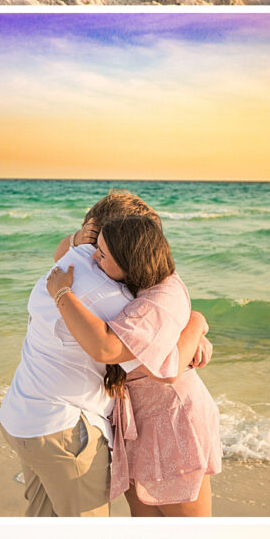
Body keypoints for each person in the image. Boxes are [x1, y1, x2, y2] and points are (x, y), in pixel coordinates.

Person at [46, 207, 222, 519]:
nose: (93, 258)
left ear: (129, 259)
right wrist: (76, 239)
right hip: (135, 422)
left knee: (189, 536)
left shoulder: (161, 294)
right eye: (95, 248)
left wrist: (196, 323)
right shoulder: (123, 280)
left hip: (172, 419)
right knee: (146, 531)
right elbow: (64, 257)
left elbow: (162, 366)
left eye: (101, 253)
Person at [0, 191, 160, 518]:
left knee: (47, 527)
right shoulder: (107, 290)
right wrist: (196, 325)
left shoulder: (66, 264)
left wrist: (73, 239)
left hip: (22, 418)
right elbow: (157, 362)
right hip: (65, 433)